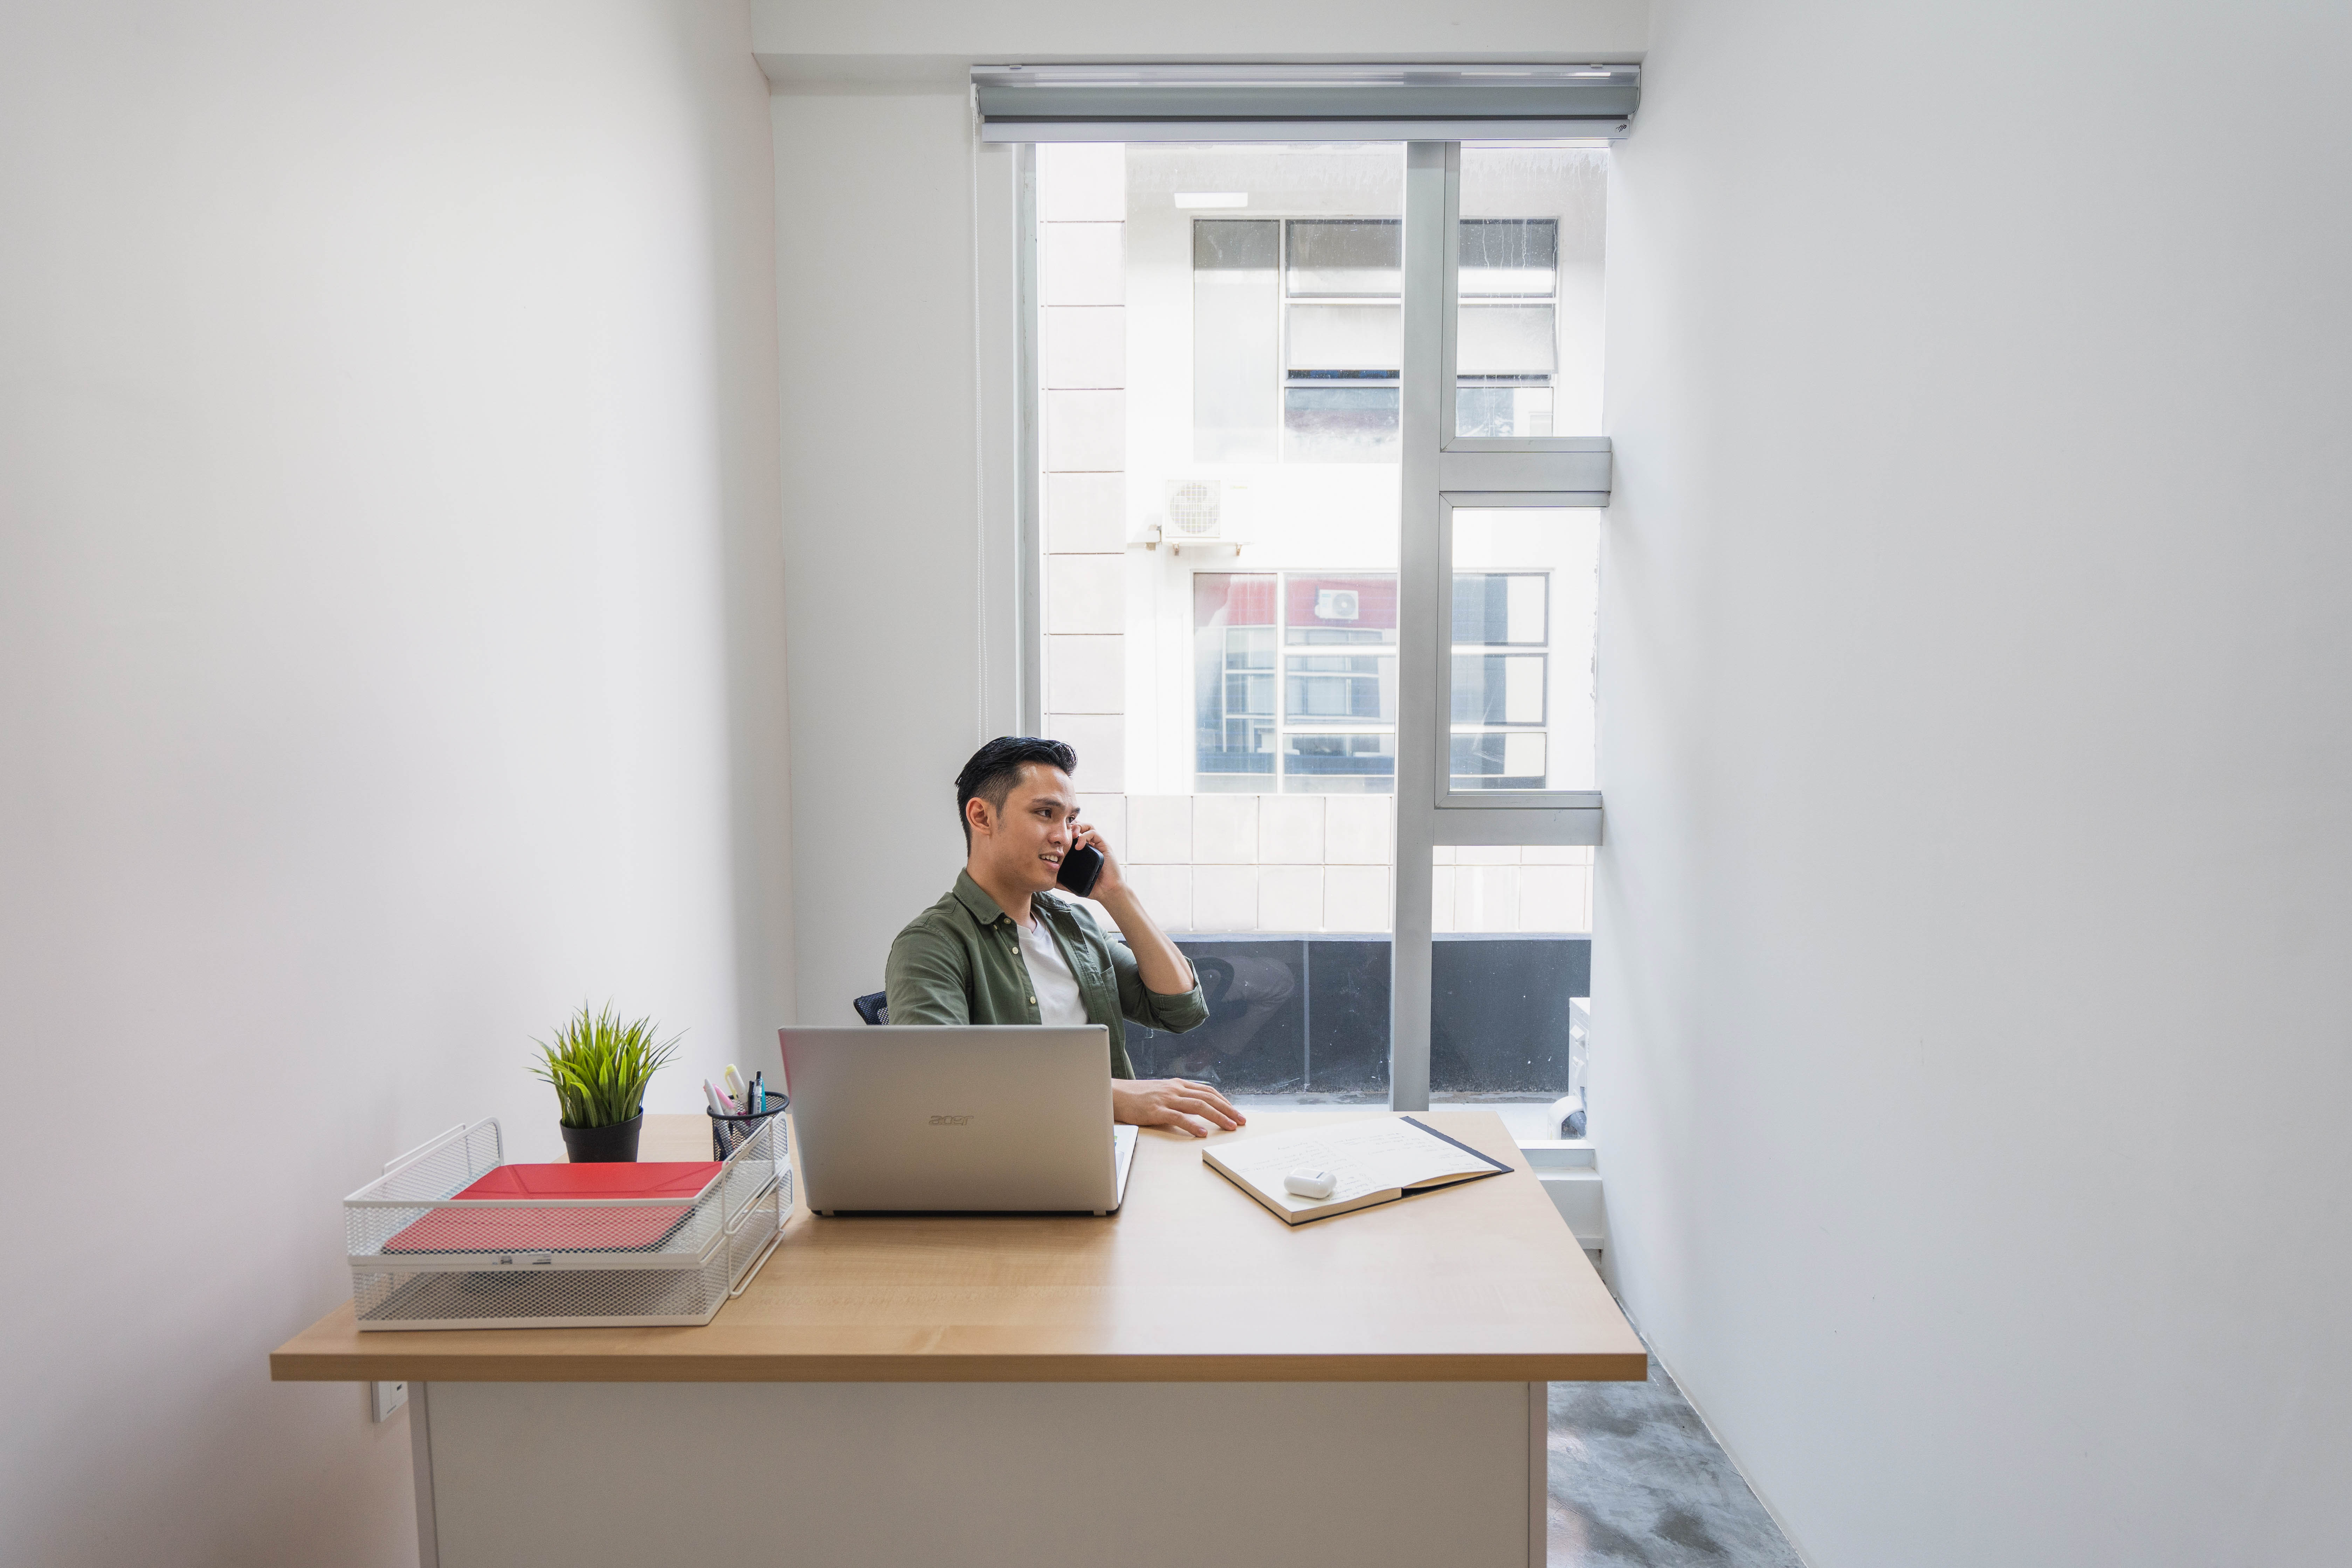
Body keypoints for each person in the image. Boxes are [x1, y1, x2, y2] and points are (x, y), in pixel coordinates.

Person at [885, 736, 1246, 1139]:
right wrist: (1114, 1097)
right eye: (1045, 813)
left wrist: (1116, 894)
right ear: (982, 817)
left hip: (1111, 1144)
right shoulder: (931, 944)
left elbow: (1181, 1009)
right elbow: (940, 1083)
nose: (1065, 836)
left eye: (1071, 819)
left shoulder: (1072, 925)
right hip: (1012, 1155)